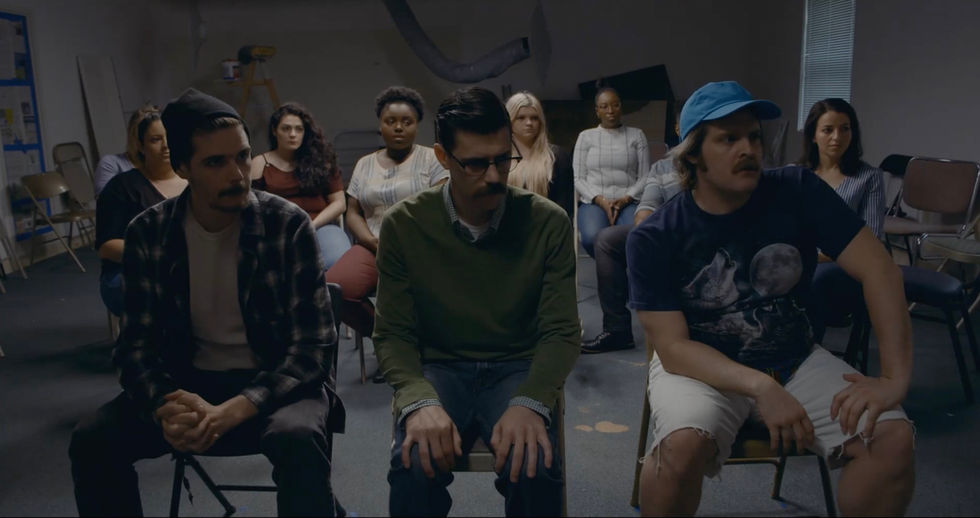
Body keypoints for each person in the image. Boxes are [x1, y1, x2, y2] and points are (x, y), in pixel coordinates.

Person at [628, 81, 915, 516]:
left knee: (892, 439)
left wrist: (894, 378)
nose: (749, 148)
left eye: (754, 137)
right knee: (681, 448)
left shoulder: (797, 190)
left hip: (796, 358)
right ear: (693, 155)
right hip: (700, 369)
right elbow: (672, 349)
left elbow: (880, 271)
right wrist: (761, 386)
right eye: (729, 138)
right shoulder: (655, 236)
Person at [69, 88, 345, 517]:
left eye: (242, 156)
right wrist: (163, 403)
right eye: (215, 162)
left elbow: (313, 351)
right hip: (187, 386)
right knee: (92, 439)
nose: (237, 174)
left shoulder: (285, 224)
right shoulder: (150, 232)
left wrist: (236, 409)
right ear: (182, 168)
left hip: (275, 381)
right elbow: (134, 347)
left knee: (297, 436)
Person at [375, 86, 579, 517]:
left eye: (503, 159)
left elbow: (561, 331)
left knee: (535, 465)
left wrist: (532, 400)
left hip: (517, 366)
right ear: (442, 157)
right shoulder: (403, 226)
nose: (493, 176)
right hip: (439, 367)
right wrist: (417, 399)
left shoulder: (548, 223)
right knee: (413, 464)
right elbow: (393, 332)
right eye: (474, 163)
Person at [324, 86, 448, 372]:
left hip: (420, 247)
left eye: (407, 122)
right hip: (373, 245)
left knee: (432, 294)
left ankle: (425, 345)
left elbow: (439, 206)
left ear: (417, 125)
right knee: (336, 289)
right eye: (390, 121)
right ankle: (391, 344)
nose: (398, 128)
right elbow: (353, 210)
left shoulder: (434, 159)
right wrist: (369, 239)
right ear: (380, 125)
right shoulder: (365, 163)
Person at [580, 156, 680, 354]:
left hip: (700, 236)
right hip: (666, 233)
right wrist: (645, 228)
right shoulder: (663, 166)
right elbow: (647, 205)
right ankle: (617, 330)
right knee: (607, 240)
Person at [95, 105, 186, 316]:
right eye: (156, 140)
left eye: (170, 138)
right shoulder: (121, 187)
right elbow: (107, 246)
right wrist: (159, 256)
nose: (166, 146)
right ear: (141, 146)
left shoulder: (195, 181)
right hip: (131, 269)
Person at [251, 102, 350, 270]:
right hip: (278, 229)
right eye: (286, 129)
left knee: (338, 263)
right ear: (275, 131)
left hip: (319, 225)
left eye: (299, 129)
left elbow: (339, 203)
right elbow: (252, 206)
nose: (292, 134)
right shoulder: (260, 163)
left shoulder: (322, 160)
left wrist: (312, 225)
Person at [573, 86, 650, 256]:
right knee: (591, 237)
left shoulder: (637, 135)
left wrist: (625, 199)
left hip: (629, 200)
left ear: (621, 107)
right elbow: (578, 178)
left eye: (615, 105)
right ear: (597, 111)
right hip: (594, 201)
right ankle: (611, 271)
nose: (610, 111)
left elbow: (645, 176)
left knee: (637, 236)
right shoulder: (585, 137)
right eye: (604, 106)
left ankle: (622, 272)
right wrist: (601, 201)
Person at [504, 91, 574, 219]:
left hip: (549, 226)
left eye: (534, 118)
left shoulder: (558, 157)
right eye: (521, 118)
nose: (529, 123)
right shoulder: (499, 157)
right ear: (510, 120)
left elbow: (565, 204)